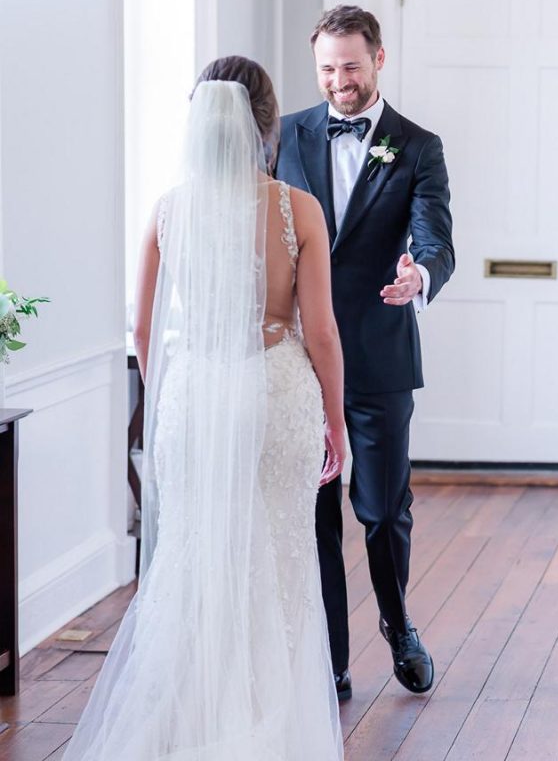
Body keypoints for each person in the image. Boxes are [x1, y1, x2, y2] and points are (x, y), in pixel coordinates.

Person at [62, 58, 346, 761]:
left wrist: (175, 396)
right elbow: (321, 332)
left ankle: (183, 727)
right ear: (266, 125)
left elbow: (142, 328)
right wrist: (335, 423)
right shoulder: (297, 209)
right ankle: (264, 725)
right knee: (277, 561)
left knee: (193, 560)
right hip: (276, 394)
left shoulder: (170, 209)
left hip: (193, 394)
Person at [276, 5, 455, 700]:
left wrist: (419, 276)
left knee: (381, 510)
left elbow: (435, 238)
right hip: (299, 359)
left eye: (350, 66)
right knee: (316, 513)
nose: (338, 81)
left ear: (379, 59)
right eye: (326, 69)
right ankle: (331, 659)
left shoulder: (418, 147)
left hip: (379, 356)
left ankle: (398, 623)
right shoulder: (285, 134)